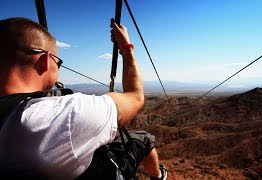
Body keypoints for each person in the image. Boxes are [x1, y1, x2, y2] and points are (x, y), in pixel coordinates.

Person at [0, 17, 167, 179]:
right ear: (45, 60)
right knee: (144, 138)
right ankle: (158, 176)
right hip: (101, 171)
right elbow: (135, 97)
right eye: (57, 62)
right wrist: (126, 47)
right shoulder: (65, 115)